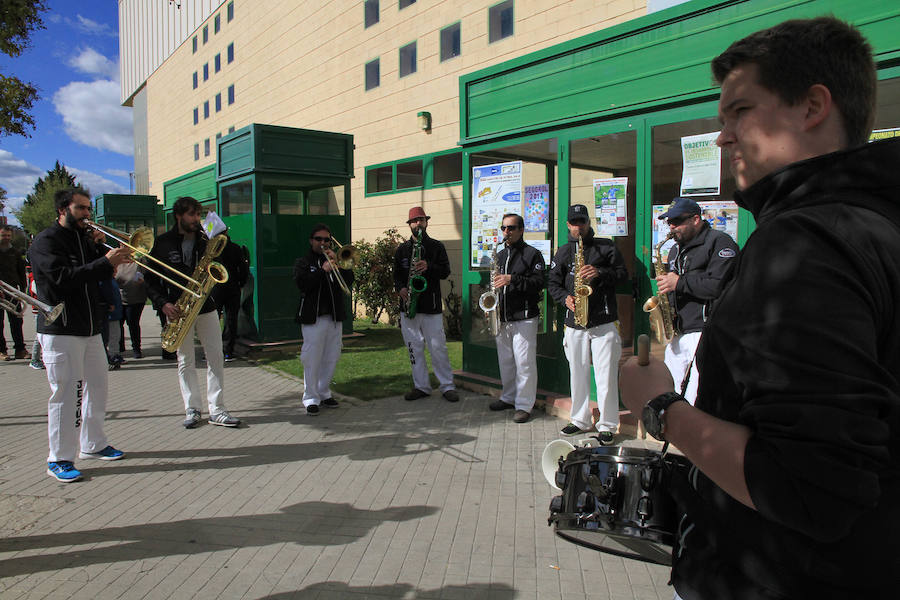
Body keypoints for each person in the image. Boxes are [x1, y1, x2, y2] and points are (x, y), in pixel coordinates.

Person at [619, 17, 900, 600]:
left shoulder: (804, 242)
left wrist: (660, 407)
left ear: (813, 106)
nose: (722, 137)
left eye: (739, 111)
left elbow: (807, 488)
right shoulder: (875, 223)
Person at [27, 188, 130, 482]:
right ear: (63, 209)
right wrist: (103, 260)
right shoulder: (46, 242)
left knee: (98, 388)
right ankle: (58, 457)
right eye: (81, 208)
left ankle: (93, 444)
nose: (87, 214)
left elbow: (98, 275)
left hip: (89, 328)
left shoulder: (83, 240)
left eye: (88, 209)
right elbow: (62, 280)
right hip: (61, 329)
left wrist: (101, 251)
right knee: (66, 393)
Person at [146, 196, 241, 429]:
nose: (196, 219)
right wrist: (162, 303)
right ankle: (193, 407)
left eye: (198, 215)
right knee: (185, 360)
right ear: (178, 216)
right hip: (178, 308)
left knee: (216, 357)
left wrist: (220, 236)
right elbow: (149, 278)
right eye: (191, 215)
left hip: (206, 306)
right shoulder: (163, 242)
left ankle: (217, 409)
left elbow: (226, 259)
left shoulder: (204, 238)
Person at [548, 204, 627, 442]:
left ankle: (608, 424)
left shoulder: (606, 247)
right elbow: (553, 284)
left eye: (582, 221)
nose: (578, 227)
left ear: (588, 222)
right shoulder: (562, 252)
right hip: (575, 322)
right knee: (578, 373)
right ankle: (580, 420)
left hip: (603, 321)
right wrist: (566, 298)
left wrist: (601, 273)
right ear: (568, 225)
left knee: (606, 374)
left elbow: (623, 275)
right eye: (574, 222)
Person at [655, 197, 738, 404]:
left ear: (695, 219)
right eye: (669, 222)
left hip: (704, 330)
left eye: (677, 221)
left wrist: (679, 282)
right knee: (671, 392)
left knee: (695, 397)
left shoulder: (720, 242)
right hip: (678, 331)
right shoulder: (675, 249)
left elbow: (718, 286)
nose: (672, 227)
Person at [393, 206, 458, 403]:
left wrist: (429, 267)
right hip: (409, 306)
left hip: (431, 307)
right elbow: (397, 276)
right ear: (410, 224)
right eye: (415, 221)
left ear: (426, 222)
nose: (418, 223)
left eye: (421, 220)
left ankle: (447, 386)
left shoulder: (437, 246)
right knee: (414, 348)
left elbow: (445, 271)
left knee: (438, 347)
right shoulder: (402, 250)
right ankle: (421, 386)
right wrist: (401, 288)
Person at [486, 213, 545, 423]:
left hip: (525, 316)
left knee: (524, 363)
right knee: (506, 361)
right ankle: (509, 397)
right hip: (503, 316)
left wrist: (512, 279)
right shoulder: (500, 256)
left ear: (521, 230)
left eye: (511, 228)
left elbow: (539, 283)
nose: (506, 232)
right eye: (503, 228)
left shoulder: (533, 254)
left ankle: (524, 405)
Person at [293, 224, 353, 415]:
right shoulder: (303, 262)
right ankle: (310, 396)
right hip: (314, 317)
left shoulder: (335, 260)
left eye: (327, 239)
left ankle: (324, 392)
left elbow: (348, 281)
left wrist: (340, 265)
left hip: (334, 316)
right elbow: (303, 284)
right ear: (311, 240)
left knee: (332, 356)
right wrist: (322, 270)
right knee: (312, 358)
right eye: (319, 239)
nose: (323, 243)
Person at [212, 231, 249, 361]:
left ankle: (212, 352)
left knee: (213, 319)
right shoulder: (235, 248)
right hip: (233, 287)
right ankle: (228, 351)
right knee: (231, 319)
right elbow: (244, 268)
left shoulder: (212, 248)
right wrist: (240, 283)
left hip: (216, 288)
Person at [0, 225, 29, 361]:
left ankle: (20, 349)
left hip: (13, 292)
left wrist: (23, 291)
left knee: (17, 321)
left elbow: (21, 273)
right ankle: (2, 351)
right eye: (3, 235)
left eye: (8, 236)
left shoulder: (15, 252)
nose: (6, 238)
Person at [116, 261, 147, 359]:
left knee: (133, 323)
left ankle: (136, 349)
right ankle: (120, 348)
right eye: (121, 244)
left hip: (136, 299)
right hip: (119, 299)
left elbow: (148, 276)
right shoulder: (117, 260)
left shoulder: (139, 261)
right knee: (118, 324)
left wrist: (143, 281)